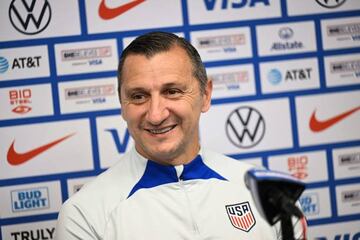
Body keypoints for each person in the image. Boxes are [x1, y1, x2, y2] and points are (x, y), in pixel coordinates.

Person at [55, 31, 306, 239]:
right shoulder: (83, 215)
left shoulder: (271, 196)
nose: (155, 115)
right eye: (138, 96)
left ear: (205, 95)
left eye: (172, 91)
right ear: (122, 103)